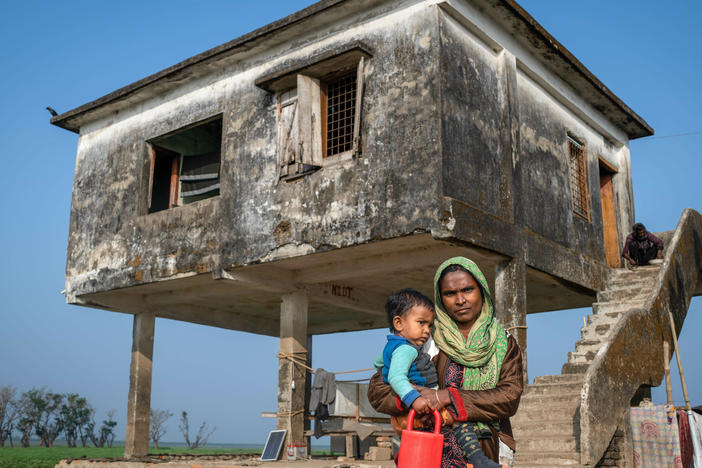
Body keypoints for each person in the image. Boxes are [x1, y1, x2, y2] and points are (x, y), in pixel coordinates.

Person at [368, 257, 524, 467]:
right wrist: (411, 396)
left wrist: (446, 397)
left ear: (482, 291)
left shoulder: (503, 343)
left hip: (489, 447)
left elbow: (509, 396)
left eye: (468, 290)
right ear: (441, 298)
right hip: (431, 450)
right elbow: (378, 389)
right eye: (450, 293)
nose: (460, 300)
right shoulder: (423, 339)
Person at [379, 288, 503, 468]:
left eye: (429, 325)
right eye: (421, 323)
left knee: (415, 450)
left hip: (416, 411)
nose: (427, 330)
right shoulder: (406, 350)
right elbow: (395, 377)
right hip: (416, 409)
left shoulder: (394, 347)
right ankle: (479, 460)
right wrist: (414, 399)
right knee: (459, 418)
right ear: (398, 323)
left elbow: (380, 365)